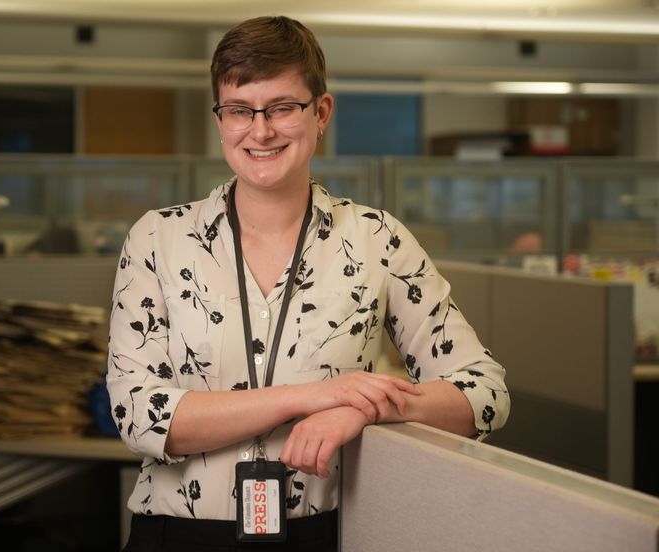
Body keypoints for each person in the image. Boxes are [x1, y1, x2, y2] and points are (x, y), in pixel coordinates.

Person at [108, 15, 509, 552]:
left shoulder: (377, 239)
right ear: (220, 119)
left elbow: (485, 391)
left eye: (282, 107)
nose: (261, 130)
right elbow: (140, 415)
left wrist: (366, 406)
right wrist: (318, 395)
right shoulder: (158, 238)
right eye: (239, 111)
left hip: (328, 535)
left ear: (321, 112)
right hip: (180, 536)